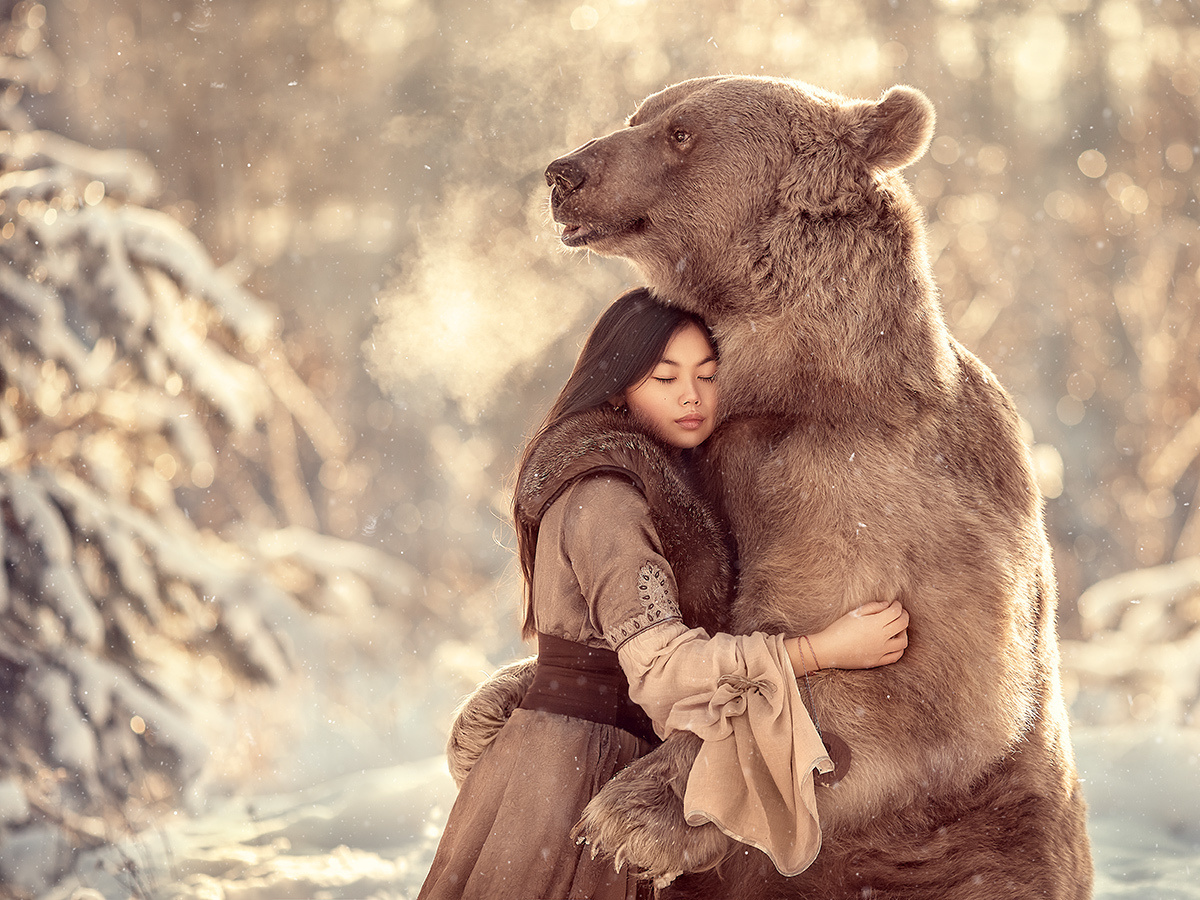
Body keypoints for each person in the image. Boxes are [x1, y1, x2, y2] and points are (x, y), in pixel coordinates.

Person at [418, 288, 909, 900]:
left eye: (708, 375)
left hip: (584, 758)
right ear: (620, 385)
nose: (691, 396)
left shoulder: (659, 483)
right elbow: (662, 666)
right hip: (576, 776)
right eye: (664, 377)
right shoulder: (607, 497)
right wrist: (824, 650)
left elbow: (605, 648)